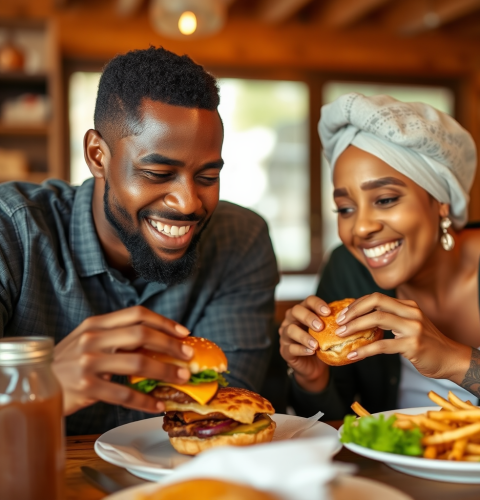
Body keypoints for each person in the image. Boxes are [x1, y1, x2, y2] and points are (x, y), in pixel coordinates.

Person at [0, 47, 278, 435]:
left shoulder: (240, 240)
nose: (189, 202)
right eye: (158, 173)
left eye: (207, 177)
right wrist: (39, 387)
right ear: (98, 156)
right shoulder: (11, 228)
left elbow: (225, 413)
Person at [279, 92, 480, 419]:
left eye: (385, 200)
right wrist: (311, 376)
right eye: (345, 208)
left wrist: (449, 357)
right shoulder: (347, 268)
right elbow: (330, 425)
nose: (362, 228)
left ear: (441, 200)